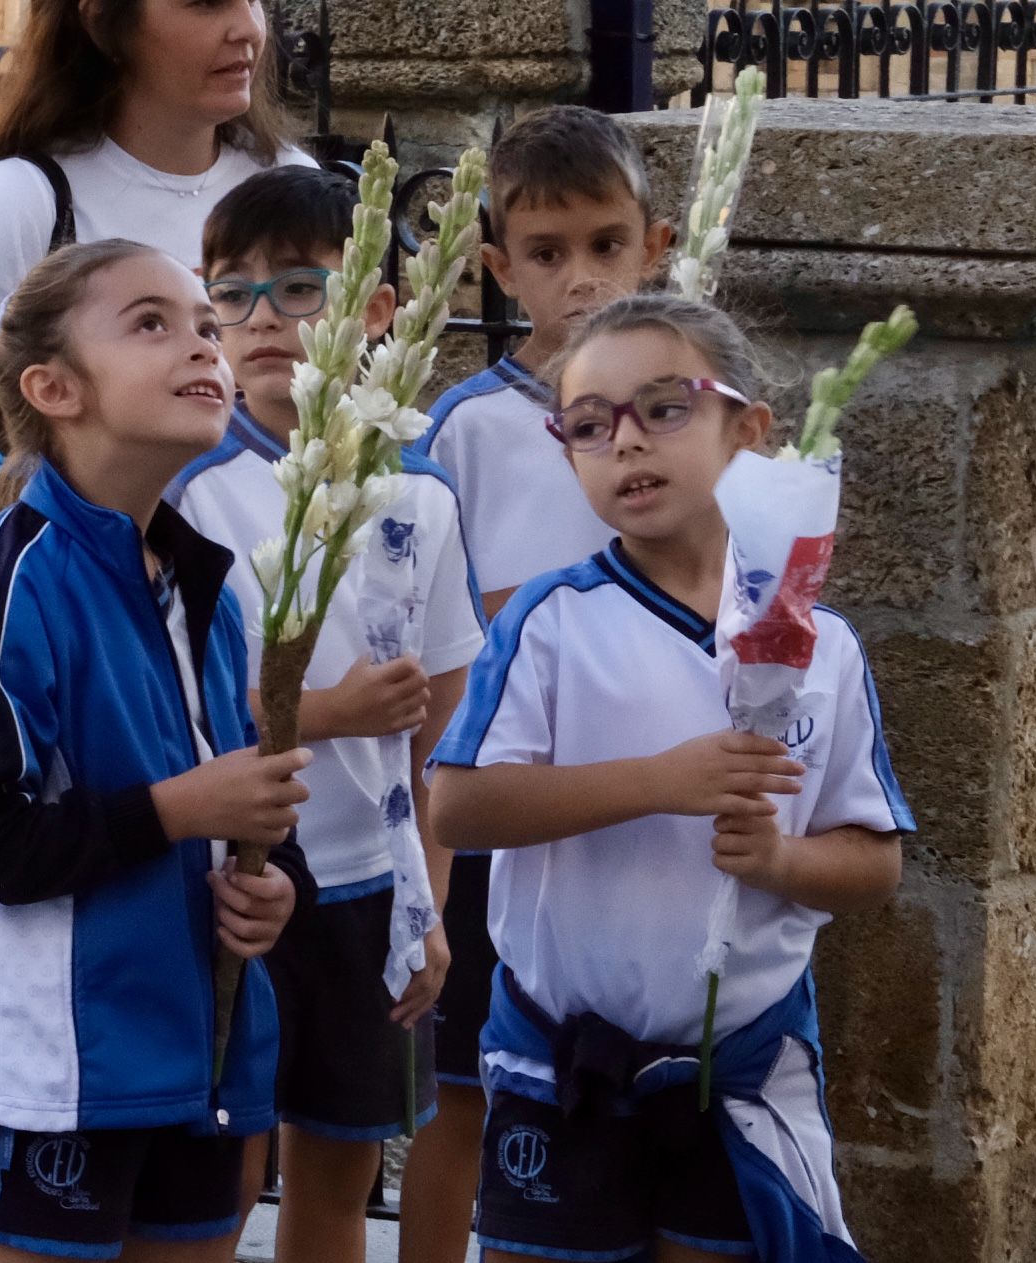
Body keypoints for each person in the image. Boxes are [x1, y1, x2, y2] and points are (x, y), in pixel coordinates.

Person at [426, 294, 910, 1263]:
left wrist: (778, 858)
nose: (627, 444)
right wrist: (660, 780)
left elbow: (874, 859)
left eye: (664, 407)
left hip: (737, 1070)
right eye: (591, 425)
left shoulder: (820, 645)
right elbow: (461, 802)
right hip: (560, 1068)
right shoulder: (550, 621)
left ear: (751, 429)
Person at [0, 239, 318, 1262]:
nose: (203, 346)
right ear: (53, 388)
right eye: (151, 323)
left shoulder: (207, 592)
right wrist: (183, 810)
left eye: (203, 325)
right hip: (52, 1073)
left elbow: (235, 807)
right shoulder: (3, 592)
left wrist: (271, 891)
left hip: (196, 1051)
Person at [0, 0, 315, 891]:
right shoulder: (20, 202)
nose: (247, 28)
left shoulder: (281, 181)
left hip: (250, 715)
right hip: (71, 712)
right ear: (105, 21)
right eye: (207, 2)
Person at [167, 165, 484, 1263]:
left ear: (372, 312)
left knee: (339, 1169)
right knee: (223, 1172)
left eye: (300, 290)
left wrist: (425, 906)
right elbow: (180, 702)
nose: (261, 320)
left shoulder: (420, 493)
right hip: (232, 881)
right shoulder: (183, 487)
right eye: (232, 292)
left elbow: (437, 726)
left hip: (365, 882)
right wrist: (328, 711)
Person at [401, 107, 672, 1262]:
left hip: (644, 811)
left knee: (642, 1086)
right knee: (463, 1096)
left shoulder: (691, 413)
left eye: (607, 246)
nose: (581, 281)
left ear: (654, 246)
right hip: (496, 807)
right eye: (548, 254)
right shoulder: (463, 429)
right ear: (497, 266)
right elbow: (421, 618)